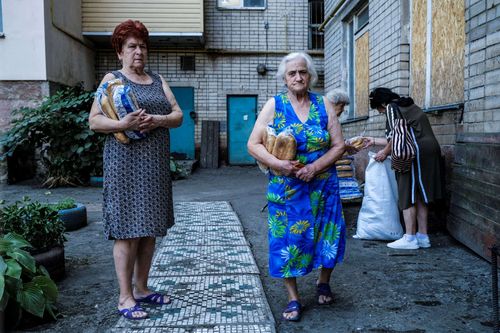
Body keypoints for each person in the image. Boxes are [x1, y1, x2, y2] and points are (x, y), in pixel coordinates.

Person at [88, 20, 183, 320]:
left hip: (154, 166)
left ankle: (141, 289)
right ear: (120, 52)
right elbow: (94, 120)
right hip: (124, 165)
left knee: (150, 229)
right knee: (127, 232)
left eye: (142, 45)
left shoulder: (157, 80)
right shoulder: (112, 80)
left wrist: (157, 120)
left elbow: (178, 115)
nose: (138, 51)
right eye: (131, 46)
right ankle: (125, 297)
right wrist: (121, 124)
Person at [247, 52, 346, 322]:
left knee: (327, 234)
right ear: (284, 78)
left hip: (323, 186)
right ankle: (293, 297)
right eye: (292, 73)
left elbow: (339, 145)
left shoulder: (322, 103)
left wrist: (315, 167)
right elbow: (253, 144)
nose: (298, 77)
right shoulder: (274, 105)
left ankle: (323, 281)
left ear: (310, 75)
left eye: (303, 72)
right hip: (287, 188)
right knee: (286, 241)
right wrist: (278, 165)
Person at [362, 87, 443, 250]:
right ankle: (422, 236)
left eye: (378, 108)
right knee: (419, 194)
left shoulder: (391, 108)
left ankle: (409, 238)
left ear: (383, 103)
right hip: (429, 150)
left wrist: (384, 153)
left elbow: (396, 136)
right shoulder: (407, 106)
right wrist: (374, 141)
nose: (380, 112)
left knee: (407, 191)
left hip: (414, 153)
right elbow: (404, 134)